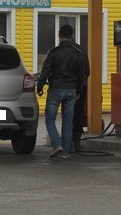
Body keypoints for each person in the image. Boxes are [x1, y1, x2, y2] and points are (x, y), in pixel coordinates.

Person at [36, 24, 89, 159]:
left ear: (59, 35)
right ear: (72, 36)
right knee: (68, 121)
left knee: (50, 119)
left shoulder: (53, 52)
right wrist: (79, 90)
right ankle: (65, 152)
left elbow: (45, 71)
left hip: (55, 89)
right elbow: (83, 74)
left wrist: (40, 86)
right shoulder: (78, 53)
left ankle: (57, 145)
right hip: (71, 90)